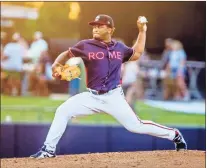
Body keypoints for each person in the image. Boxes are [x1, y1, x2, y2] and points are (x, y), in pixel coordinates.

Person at [31, 14, 187, 159]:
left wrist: (142, 31)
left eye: (100, 25)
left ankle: (174, 135)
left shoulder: (119, 48)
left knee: (136, 126)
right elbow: (66, 54)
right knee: (62, 111)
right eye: (94, 26)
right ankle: (48, 150)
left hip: (114, 97)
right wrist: (56, 64)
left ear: (111, 29)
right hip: (91, 96)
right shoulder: (86, 45)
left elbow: (137, 53)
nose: (96, 28)